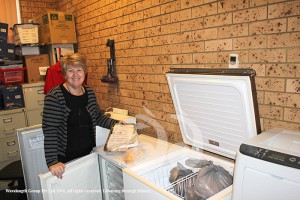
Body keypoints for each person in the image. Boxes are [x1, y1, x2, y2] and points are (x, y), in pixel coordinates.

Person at [42, 53, 122, 179]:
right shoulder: (55, 96)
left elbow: (98, 117)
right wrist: (53, 162)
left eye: (79, 70)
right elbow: (50, 130)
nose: (75, 75)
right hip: (65, 161)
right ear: (64, 73)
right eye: (70, 70)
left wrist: (117, 124)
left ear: (84, 72)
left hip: (88, 154)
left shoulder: (89, 92)